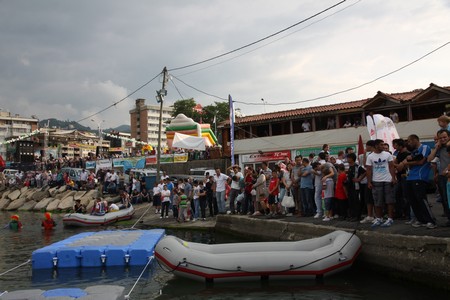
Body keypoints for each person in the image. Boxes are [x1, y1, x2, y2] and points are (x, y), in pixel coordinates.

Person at [403, 134, 436, 229]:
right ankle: (421, 219)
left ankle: (431, 220)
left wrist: (407, 162)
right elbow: (410, 165)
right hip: (410, 177)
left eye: (409, 141)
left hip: (420, 177)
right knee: (412, 200)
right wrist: (408, 162)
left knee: (421, 199)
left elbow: (422, 161)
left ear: (414, 140)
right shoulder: (412, 152)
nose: (408, 143)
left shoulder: (424, 147)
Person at [366, 139, 396, 228]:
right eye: (381, 145)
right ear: (375, 146)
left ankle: (390, 218)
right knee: (377, 201)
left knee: (389, 200)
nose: (383, 146)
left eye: (383, 144)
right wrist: (369, 182)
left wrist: (393, 178)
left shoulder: (388, 154)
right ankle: (379, 218)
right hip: (376, 181)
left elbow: (391, 166)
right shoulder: (370, 156)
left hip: (388, 180)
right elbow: (368, 170)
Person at [427, 129, 450, 227]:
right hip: (442, 176)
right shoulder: (439, 148)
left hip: (449, 175)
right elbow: (429, 159)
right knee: (444, 199)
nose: (443, 139)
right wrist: (436, 148)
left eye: (445, 137)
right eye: (440, 138)